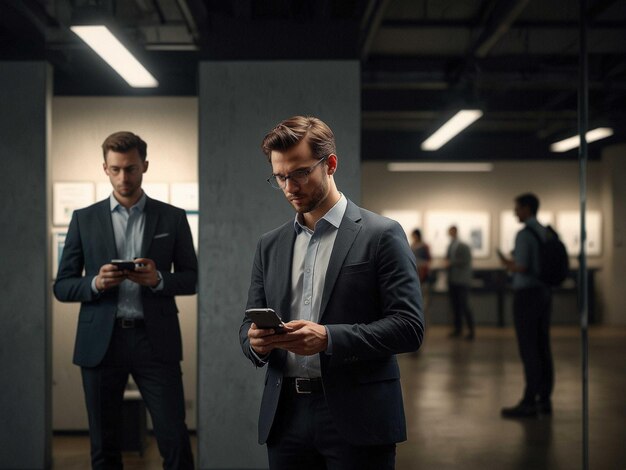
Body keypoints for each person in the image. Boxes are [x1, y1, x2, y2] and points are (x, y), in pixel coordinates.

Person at [239, 115, 424, 470]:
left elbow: (409, 327)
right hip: (285, 417)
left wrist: (329, 338)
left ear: (331, 165)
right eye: (280, 177)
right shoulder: (270, 245)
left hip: (360, 415)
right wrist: (255, 343)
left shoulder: (382, 235)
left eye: (300, 173)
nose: (290, 187)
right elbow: (247, 325)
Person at [54, 131, 197, 469]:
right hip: (101, 342)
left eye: (131, 168)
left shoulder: (173, 217)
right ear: (105, 168)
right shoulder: (83, 219)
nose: (124, 177)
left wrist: (158, 279)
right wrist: (95, 282)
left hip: (154, 341)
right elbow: (62, 286)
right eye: (116, 169)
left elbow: (192, 278)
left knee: (174, 438)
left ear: (144, 166)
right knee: (104, 445)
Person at [499, 193, 554, 418]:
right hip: (544, 293)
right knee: (543, 346)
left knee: (528, 348)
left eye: (518, 208)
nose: (515, 212)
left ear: (528, 208)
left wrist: (508, 264)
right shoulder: (544, 231)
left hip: (526, 295)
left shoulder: (524, 234)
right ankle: (545, 399)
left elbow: (521, 267)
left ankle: (529, 401)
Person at [445, 225, 475, 340]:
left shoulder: (463, 245)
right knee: (455, 306)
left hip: (462, 280)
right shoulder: (451, 245)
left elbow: (466, 260)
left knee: (465, 305)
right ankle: (458, 329)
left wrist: (451, 263)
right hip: (453, 280)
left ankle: (471, 331)